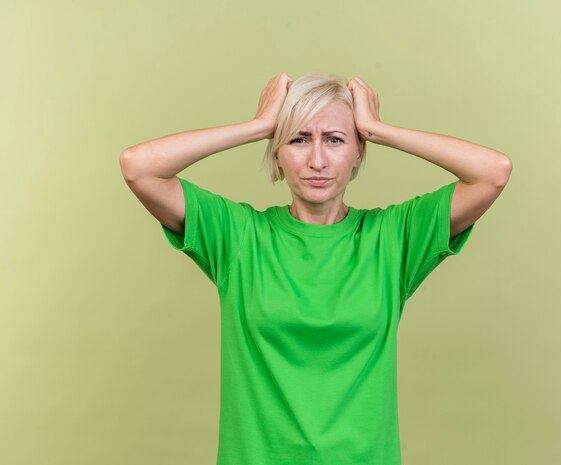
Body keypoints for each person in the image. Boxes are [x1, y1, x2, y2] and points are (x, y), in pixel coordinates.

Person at [119, 71, 512, 465]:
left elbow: (493, 172)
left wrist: (378, 129)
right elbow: (138, 167)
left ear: (358, 152)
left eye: (336, 140)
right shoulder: (238, 237)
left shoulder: (393, 238)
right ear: (277, 153)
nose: (317, 160)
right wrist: (259, 126)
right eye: (298, 139)